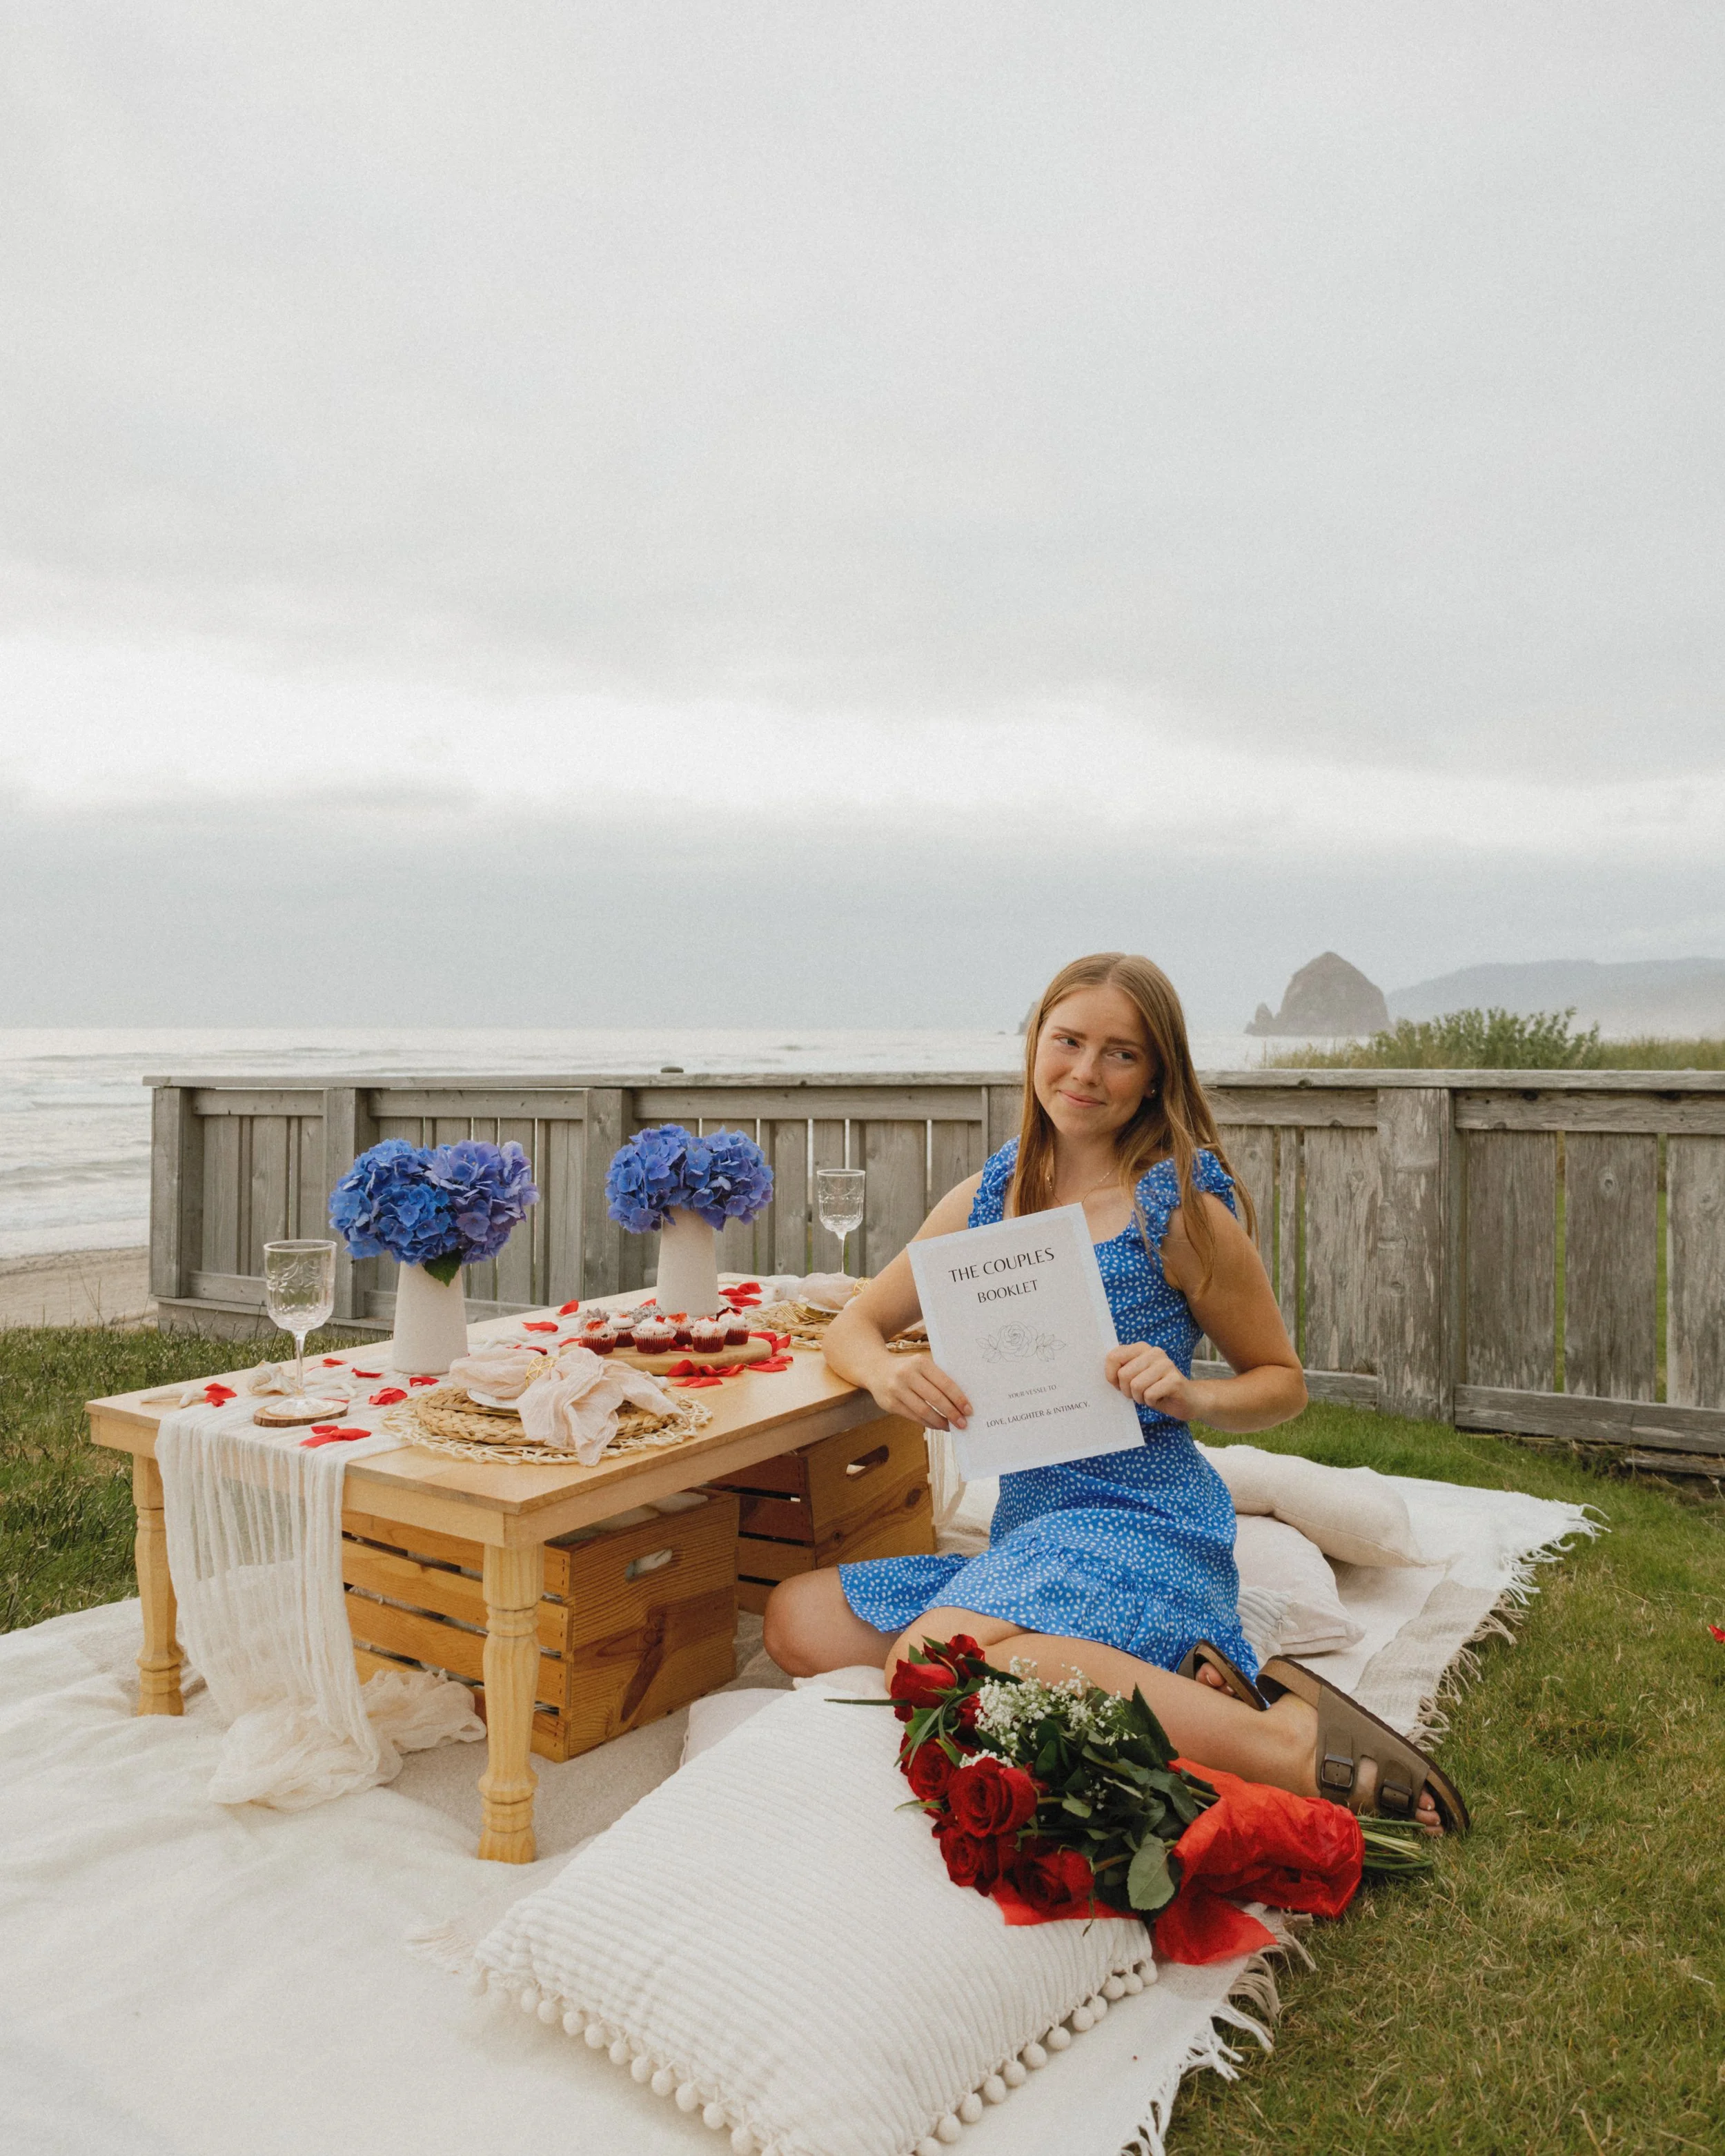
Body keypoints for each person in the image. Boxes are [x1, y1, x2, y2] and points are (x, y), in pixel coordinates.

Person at [763, 951, 1463, 1832]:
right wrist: (888, 1370)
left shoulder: (1174, 1209)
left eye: (1120, 1053)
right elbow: (851, 1327)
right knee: (795, 1618)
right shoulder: (987, 1196)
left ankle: (1282, 1738)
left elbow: (1281, 1383)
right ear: (1034, 1045)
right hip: (1032, 1530)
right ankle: (1166, 1665)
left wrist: (1192, 1397)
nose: (1086, 1072)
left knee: (931, 1655)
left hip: (1144, 1516)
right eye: (1068, 1040)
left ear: (1154, 1075)